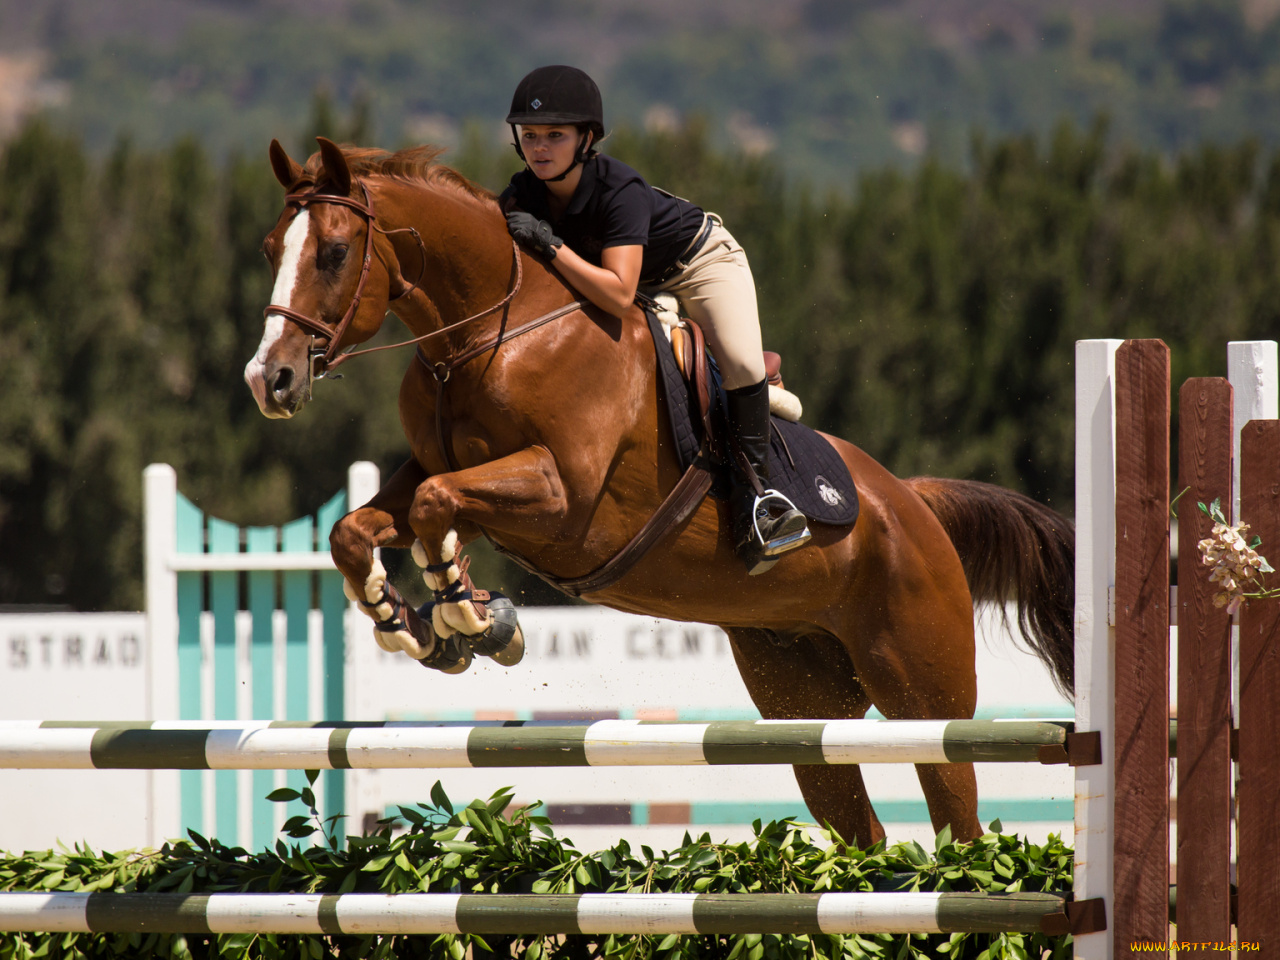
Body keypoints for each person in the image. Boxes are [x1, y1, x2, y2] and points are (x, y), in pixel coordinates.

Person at [500, 64, 809, 574]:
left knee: (738, 364)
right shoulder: (522, 194)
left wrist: (551, 246)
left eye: (555, 135)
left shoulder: (620, 189)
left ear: (587, 138)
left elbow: (619, 295)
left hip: (698, 264)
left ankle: (760, 500)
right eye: (530, 135)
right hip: (633, 281)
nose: (540, 147)